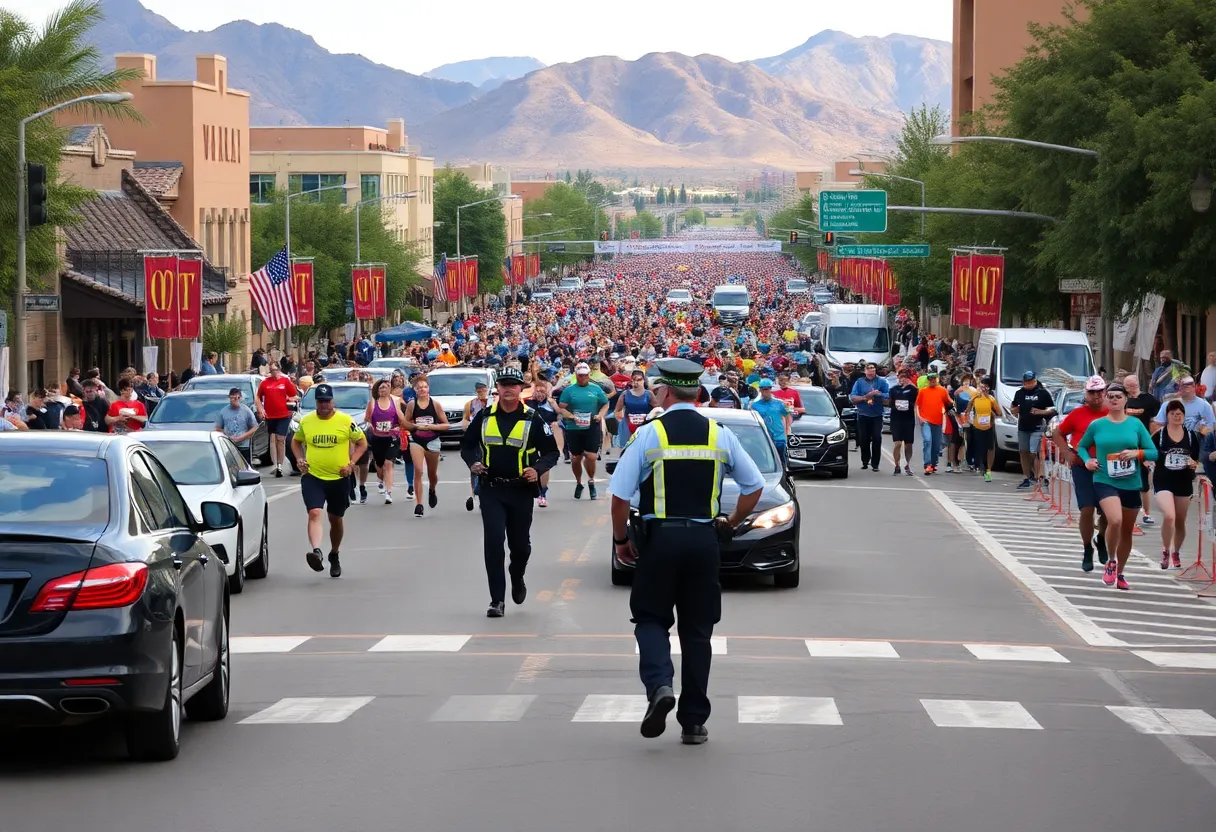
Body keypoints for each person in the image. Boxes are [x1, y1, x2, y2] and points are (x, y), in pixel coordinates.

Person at [608, 358, 764, 746]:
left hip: (660, 539)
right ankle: (693, 721)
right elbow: (754, 486)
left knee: (649, 618)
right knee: (698, 632)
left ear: (665, 391)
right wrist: (730, 522)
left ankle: (660, 686)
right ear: (697, 391)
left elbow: (619, 496)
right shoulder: (719, 433)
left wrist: (621, 541)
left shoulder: (649, 434)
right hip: (704, 540)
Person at [460, 366, 559, 618]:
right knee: (494, 543)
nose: (508, 389)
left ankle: (517, 575)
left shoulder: (533, 418)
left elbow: (551, 452)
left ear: (520, 389)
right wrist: (473, 463)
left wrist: (537, 469)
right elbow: (467, 446)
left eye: (513, 384)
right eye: (503, 384)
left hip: (521, 490)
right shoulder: (483, 416)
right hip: (491, 488)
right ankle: (497, 601)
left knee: (520, 547)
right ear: (498, 389)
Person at [1076, 382, 1158, 591]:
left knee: (1127, 531)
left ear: (1125, 400)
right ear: (1106, 399)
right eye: (1110, 396)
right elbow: (1082, 446)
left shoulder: (1135, 425)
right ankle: (1110, 561)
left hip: (1130, 481)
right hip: (1105, 479)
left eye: (1117, 396)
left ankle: (1120, 572)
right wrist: (1088, 461)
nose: (1113, 399)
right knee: (1115, 520)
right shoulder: (1097, 425)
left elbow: (1153, 452)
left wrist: (1136, 453)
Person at [290, 384, 368, 578]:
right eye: (320, 401)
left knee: (336, 519)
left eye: (327, 401)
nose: (324, 405)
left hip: (339, 478)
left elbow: (362, 443)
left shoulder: (345, 421)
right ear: (316, 402)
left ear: (333, 401)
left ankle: (334, 553)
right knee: (315, 513)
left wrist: (351, 464)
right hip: (313, 476)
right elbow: (296, 441)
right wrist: (299, 459)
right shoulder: (307, 422)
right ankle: (317, 551)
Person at [1150, 399, 1200, 569]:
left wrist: (1193, 463)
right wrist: (1149, 465)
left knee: (1180, 520)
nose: (1177, 417)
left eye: (1179, 414)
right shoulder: (1160, 435)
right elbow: (1149, 453)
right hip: (1163, 480)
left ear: (1184, 416)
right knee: (1169, 516)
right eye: (1173, 414)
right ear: (1167, 416)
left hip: (1184, 481)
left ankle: (1176, 551)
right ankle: (1165, 550)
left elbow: (1196, 458)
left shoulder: (1191, 436)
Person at [558, 362, 610, 500]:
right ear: (576, 375)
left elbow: (605, 404)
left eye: (585, 376)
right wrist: (569, 415)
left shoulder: (596, 389)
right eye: (580, 376)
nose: (583, 378)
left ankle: (591, 481)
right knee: (576, 458)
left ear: (589, 375)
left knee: (591, 456)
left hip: (591, 425)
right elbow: (561, 407)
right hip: (574, 427)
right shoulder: (569, 390)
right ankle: (579, 482)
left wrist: (600, 415)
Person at [402, 373, 450, 518]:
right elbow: (405, 423)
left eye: (424, 387)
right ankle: (419, 504)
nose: (422, 389)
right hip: (417, 440)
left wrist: (431, 427)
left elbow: (446, 425)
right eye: (419, 388)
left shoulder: (435, 404)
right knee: (418, 469)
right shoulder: (411, 404)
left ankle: (432, 489)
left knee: (432, 474)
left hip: (433, 440)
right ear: (415, 390)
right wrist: (416, 426)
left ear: (428, 388)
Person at [364, 379, 408, 505]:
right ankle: (381, 480)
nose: (383, 390)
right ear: (377, 390)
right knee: (379, 464)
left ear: (390, 389)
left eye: (385, 387)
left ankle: (388, 492)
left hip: (392, 437)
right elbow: (367, 419)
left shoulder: (395, 401)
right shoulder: (373, 403)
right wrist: (370, 426)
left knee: (389, 463)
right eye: (381, 388)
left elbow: (401, 418)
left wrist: (399, 427)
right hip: (378, 438)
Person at [1011, 370, 1056, 488]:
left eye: (1030, 382)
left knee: (1034, 452)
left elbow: (1053, 410)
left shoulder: (1043, 393)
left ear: (1035, 381)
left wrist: (1041, 412)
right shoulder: (1019, 393)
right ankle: (1026, 477)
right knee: (1023, 452)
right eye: (1026, 382)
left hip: (1037, 426)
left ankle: (1038, 477)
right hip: (1023, 427)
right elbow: (1014, 406)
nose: (1028, 384)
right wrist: (1014, 410)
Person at [526, 372, 562, 507]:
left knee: (545, 465)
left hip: (547, 436)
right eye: (537, 391)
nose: (540, 394)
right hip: (531, 437)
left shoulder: (551, 403)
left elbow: (560, 415)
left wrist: (556, 423)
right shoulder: (528, 403)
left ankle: (543, 493)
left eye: (543, 391)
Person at [257, 363, 299, 478]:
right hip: (270, 415)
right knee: (272, 439)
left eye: (275, 370)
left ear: (279, 370)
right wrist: (260, 409)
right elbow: (258, 396)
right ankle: (275, 465)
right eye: (271, 370)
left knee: (281, 439)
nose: (273, 372)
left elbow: (293, 394)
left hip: (284, 415)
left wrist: (290, 395)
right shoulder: (265, 382)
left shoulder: (285, 381)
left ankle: (280, 465)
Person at [961, 376, 1002, 482]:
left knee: (990, 448)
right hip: (977, 426)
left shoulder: (991, 399)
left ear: (988, 388)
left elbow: (999, 413)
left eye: (985, 387)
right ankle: (979, 465)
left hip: (988, 427)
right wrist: (967, 417)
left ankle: (988, 469)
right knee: (979, 447)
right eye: (981, 386)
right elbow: (968, 409)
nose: (982, 389)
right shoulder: (975, 397)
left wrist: (992, 414)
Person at [849, 362, 888, 471]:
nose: (871, 371)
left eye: (873, 369)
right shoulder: (860, 382)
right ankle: (865, 461)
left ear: (875, 370)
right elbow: (853, 396)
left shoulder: (881, 381)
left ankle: (875, 464)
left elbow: (888, 394)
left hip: (877, 414)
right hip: (863, 414)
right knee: (863, 439)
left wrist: (878, 394)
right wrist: (865, 397)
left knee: (877, 438)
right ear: (865, 371)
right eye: (868, 369)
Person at [748, 379, 792, 468]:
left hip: (778, 436)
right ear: (760, 390)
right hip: (763, 436)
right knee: (765, 460)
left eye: (768, 389)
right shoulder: (755, 405)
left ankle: (784, 476)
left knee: (781, 459)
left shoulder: (779, 403)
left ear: (771, 389)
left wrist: (787, 430)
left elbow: (788, 415)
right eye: (763, 389)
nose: (766, 391)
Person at [915, 372, 952, 475]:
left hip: (938, 421)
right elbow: (917, 406)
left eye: (934, 379)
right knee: (927, 440)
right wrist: (920, 418)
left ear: (937, 379)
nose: (932, 381)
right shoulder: (923, 391)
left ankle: (934, 463)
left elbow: (949, 402)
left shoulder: (943, 391)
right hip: (926, 420)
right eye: (930, 379)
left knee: (936, 445)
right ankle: (927, 465)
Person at [462, 380, 491, 511]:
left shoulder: (493, 402)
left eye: (483, 390)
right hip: (476, 437)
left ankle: (486, 492)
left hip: (490, 438)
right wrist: (466, 425)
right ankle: (476, 492)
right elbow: (465, 419)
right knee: (475, 464)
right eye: (479, 391)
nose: (481, 393)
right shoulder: (471, 404)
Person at [214, 387, 259, 465]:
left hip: (244, 446)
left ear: (241, 398)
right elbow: (217, 428)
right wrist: (227, 435)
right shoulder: (223, 412)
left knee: (245, 468)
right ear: (229, 398)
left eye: (238, 397)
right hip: (229, 445)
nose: (236, 400)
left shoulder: (246, 410)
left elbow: (254, 427)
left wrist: (243, 437)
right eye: (233, 398)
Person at [886, 368, 919, 476]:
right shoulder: (894, 389)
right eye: (901, 377)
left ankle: (907, 464)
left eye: (905, 377)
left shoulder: (913, 389)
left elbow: (917, 400)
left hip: (908, 419)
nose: (902, 379)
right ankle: (897, 465)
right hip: (896, 419)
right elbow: (889, 403)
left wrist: (911, 384)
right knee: (898, 443)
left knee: (908, 444)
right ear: (898, 378)